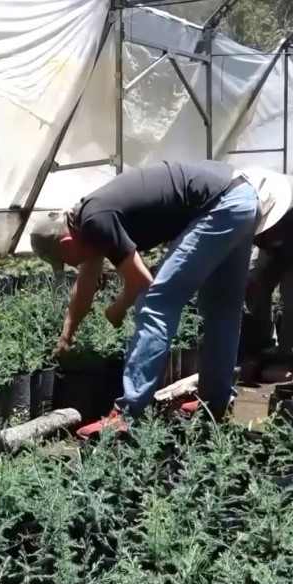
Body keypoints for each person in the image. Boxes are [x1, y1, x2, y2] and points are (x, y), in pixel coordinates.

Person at [29, 160, 291, 435]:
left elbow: (142, 280)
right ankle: (215, 404)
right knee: (222, 308)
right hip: (242, 199)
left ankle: (128, 414)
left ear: (67, 243)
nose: (70, 267)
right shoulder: (89, 220)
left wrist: (117, 309)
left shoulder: (95, 220)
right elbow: (85, 285)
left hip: (223, 204)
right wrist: (67, 334)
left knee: (156, 302)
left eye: (64, 261)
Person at [241, 202, 293, 383]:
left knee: (290, 295)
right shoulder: (253, 214)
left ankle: (285, 357)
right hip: (272, 245)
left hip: (287, 246)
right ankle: (263, 344)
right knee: (252, 284)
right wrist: (254, 278)